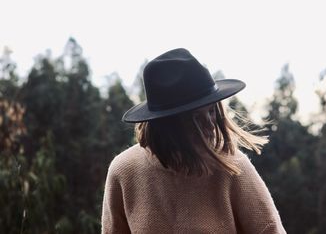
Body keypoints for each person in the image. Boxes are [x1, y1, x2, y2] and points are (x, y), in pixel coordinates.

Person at [101, 48, 286, 234]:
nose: (210, 125)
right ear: (167, 124)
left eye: (212, 111)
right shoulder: (124, 171)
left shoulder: (233, 168)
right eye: (196, 117)